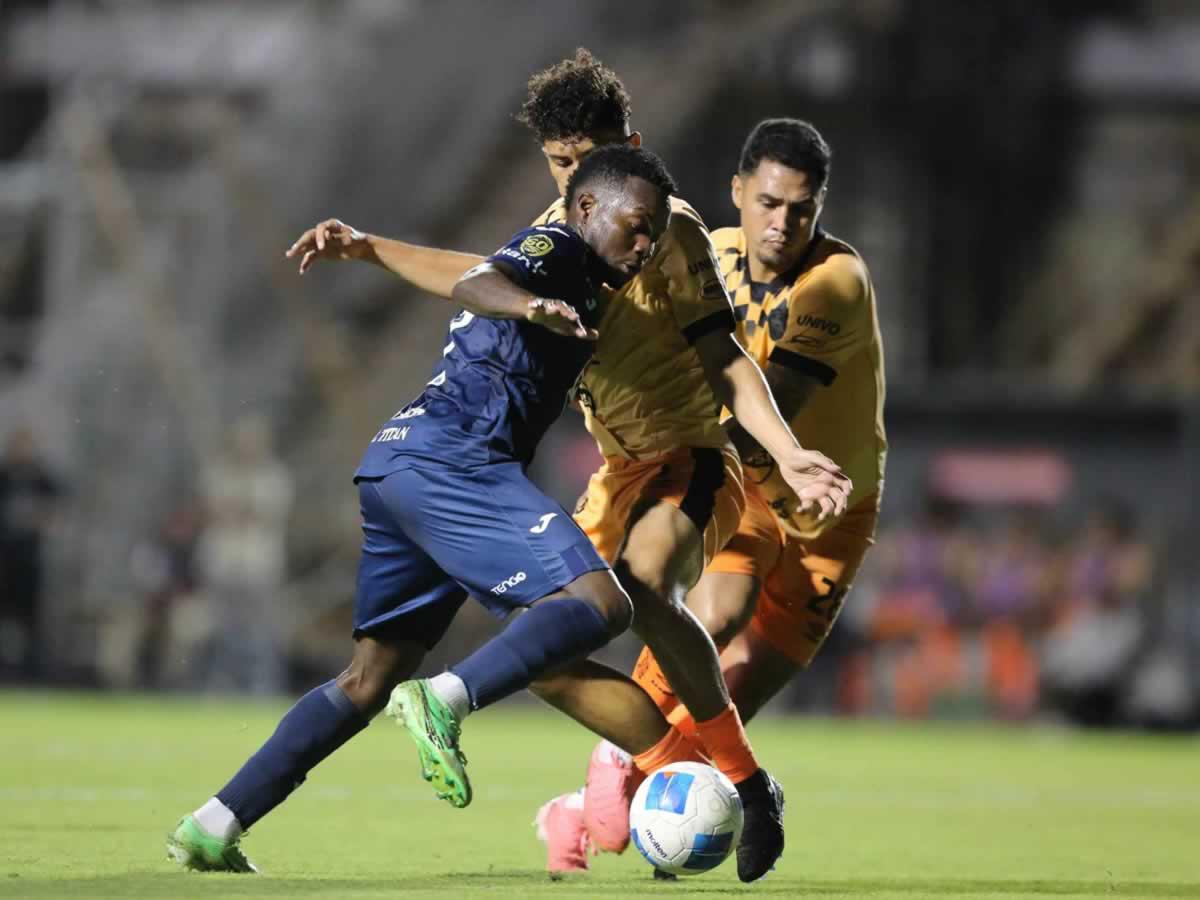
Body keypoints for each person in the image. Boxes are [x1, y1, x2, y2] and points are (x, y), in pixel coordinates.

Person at [286, 51, 852, 881]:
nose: (569, 175)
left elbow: (724, 354)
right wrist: (369, 248)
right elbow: (473, 277)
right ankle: (700, 780)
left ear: (627, 141)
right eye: (556, 163)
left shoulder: (669, 229)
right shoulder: (561, 231)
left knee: (644, 584)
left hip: (689, 452)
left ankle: (731, 780)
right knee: (544, 653)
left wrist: (790, 451)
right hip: (616, 469)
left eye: (582, 156)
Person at [167, 145, 680, 874]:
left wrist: (371, 248)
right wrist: (529, 304)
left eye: (655, 231)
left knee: (367, 680)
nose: (645, 242)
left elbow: (457, 270)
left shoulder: (584, 276)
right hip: (454, 461)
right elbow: (482, 279)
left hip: (399, 466)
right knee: (602, 604)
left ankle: (213, 825)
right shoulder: (560, 249)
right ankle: (446, 697)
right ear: (588, 207)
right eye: (637, 223)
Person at [557, 118, 889, 871]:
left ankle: (586, 812)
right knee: (714, 614)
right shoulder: (706, 250)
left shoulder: (836, 279)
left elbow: (781, 399)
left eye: (800, 209)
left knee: (735, 695)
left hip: (830, 511)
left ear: (819, 207)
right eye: (768, 202)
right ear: (737, 192)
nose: (782, 223)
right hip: (753, 490)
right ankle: (621, 767)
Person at [0, 426, 60, 681]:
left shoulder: (40, 477)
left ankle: (31, 672)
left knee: (30, 618)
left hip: (30, 558)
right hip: (4, 557)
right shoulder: (3, 477)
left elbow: (57, 507)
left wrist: (43, 521)